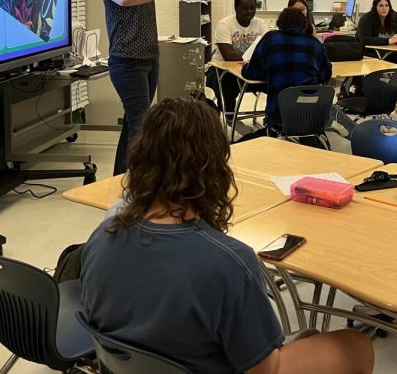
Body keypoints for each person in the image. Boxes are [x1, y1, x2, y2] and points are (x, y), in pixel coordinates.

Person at [80, 98, 374, 374]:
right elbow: (263, 368)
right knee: (357, 345)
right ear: (214, 169)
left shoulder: (103, 235)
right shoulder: (228, 263)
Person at [101, 0, 194, 175]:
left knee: (135, 122)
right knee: (141, 125)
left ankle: (121, 177)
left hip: (149, 59)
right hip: (127, 61)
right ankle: (140, 184)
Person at [242, 7, 332, 138]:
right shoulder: (314, 44)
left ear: (280, 24)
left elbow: (252, 73)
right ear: (304, 25)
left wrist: (246, 67)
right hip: (312, 116)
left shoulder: (270, 39)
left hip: (279, 116)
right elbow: (326, 74)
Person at [210, 0, 269, 116]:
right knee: (227, 84)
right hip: (222, 70)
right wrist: (256, 56)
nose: (249, 12)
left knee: (274, 81)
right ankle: (230, 117)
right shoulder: (225, 24)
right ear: (235, 8)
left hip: (248, 69)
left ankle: (271, 117)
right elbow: (228, 55)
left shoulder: (260, 23)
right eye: (244, 8)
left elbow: (268, 47)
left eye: (253, 8)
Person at [356, 0, 397, 66]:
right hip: (373, 54)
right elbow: (365, 39)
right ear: (375, 7)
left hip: (392, 53)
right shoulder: (367, 18)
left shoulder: (393, 16)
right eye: (381, 5)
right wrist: (389, 41)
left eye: (387, 5)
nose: (384, 8)